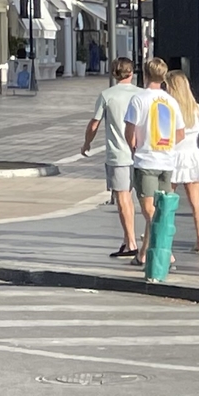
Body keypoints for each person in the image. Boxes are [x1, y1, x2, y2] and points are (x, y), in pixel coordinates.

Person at [125, 60, 185, 279]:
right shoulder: (171, 101)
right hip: (166, 161)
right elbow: (180, 133)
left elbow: (129, 130)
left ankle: (166, 253)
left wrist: (134, 146)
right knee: (162, 208)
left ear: (146, 74)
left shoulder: (138, 99)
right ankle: (144, 253)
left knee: (151, 211)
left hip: (147, 160)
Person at [82, 56, 141, 259]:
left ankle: (131, 241)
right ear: (132, 73)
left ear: (114, 73)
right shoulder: (142, 94)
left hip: (118, 154)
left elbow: (94, 124)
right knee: (143, 199)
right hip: (143, 153)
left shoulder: (107, 95)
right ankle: (136, 240)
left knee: (123, 197)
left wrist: (87, 143)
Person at [165, 64, 199, 255]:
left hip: (173, 156)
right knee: (197, 202)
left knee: (167, 201)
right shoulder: (196, 109)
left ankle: (164, 236)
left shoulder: (169, 109)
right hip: (193, 156)